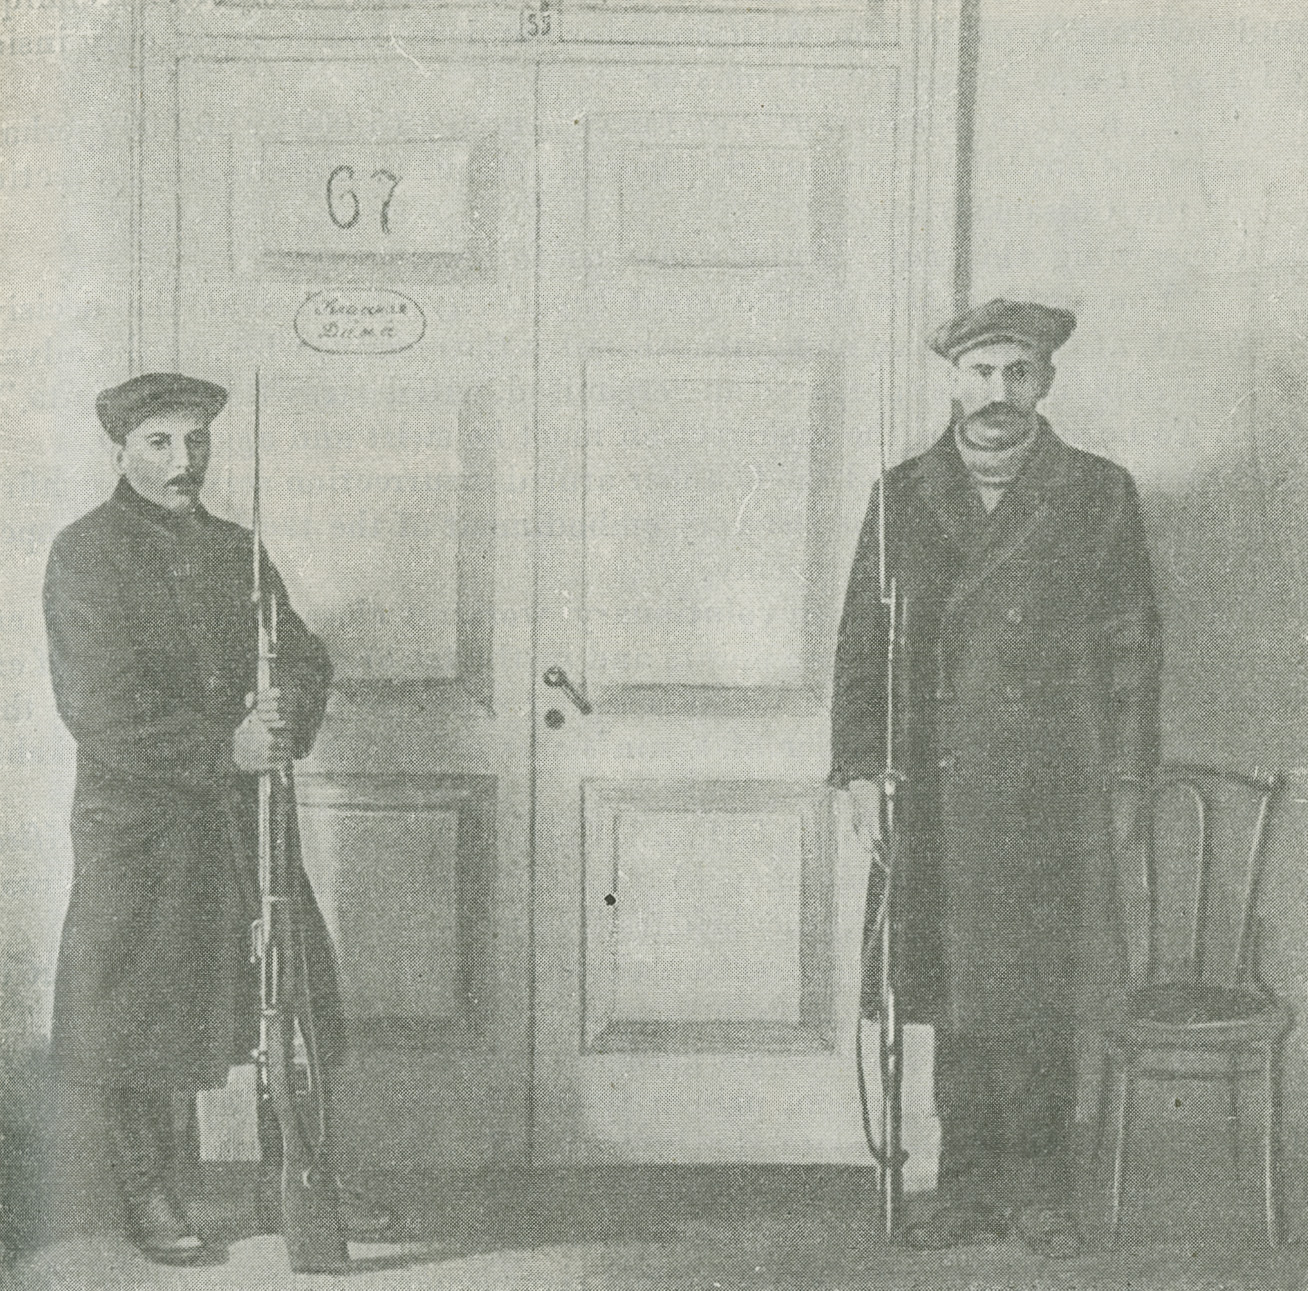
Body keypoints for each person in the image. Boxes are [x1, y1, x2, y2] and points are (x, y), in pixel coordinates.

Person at [831, 300, 1160, 1256]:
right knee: (951, 991)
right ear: (952, 382)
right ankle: (967, 1186)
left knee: (1038, 990)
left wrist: (1130, 782)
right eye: (981, 373)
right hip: (929, 787)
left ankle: (1042, 1188)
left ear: (1046, 383)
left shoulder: (1097, 494)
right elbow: (859, 646)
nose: (998, 394)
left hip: (1049, 786)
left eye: (1018, 373)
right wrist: (857, 770)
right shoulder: (900, 496)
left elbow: (1133, 650)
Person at [42, 373, 358, 1265]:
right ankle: (152, 1191)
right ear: (121, 451)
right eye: (161, 444)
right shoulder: (85, 554)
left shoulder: (238, 550)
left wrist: (288, 706)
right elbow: (99, 704)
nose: (185, 462)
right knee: (140, 1002)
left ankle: (288, 1172)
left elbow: (300, 651)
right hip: (142, 823)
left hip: (242, 821)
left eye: (197, 443)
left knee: (286, 990)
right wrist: (225, 747)